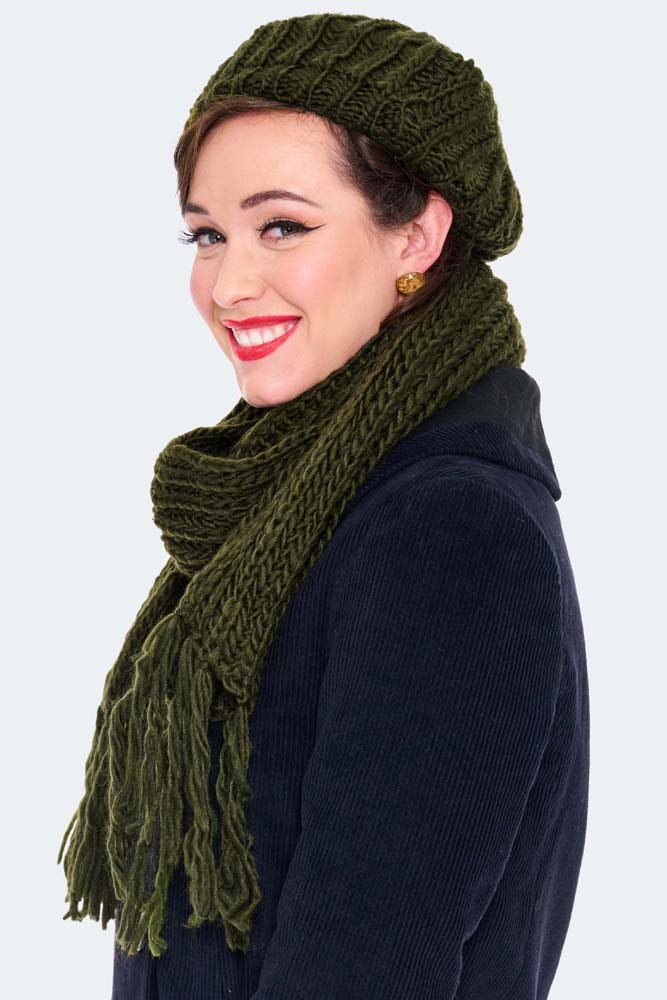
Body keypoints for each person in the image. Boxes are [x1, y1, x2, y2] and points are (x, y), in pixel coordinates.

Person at [57, 13, 590, 1000]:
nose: (228, 284)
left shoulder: (447, 531)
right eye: (207, 235)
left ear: (417, 234)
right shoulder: (293, 500)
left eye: (282, 226)